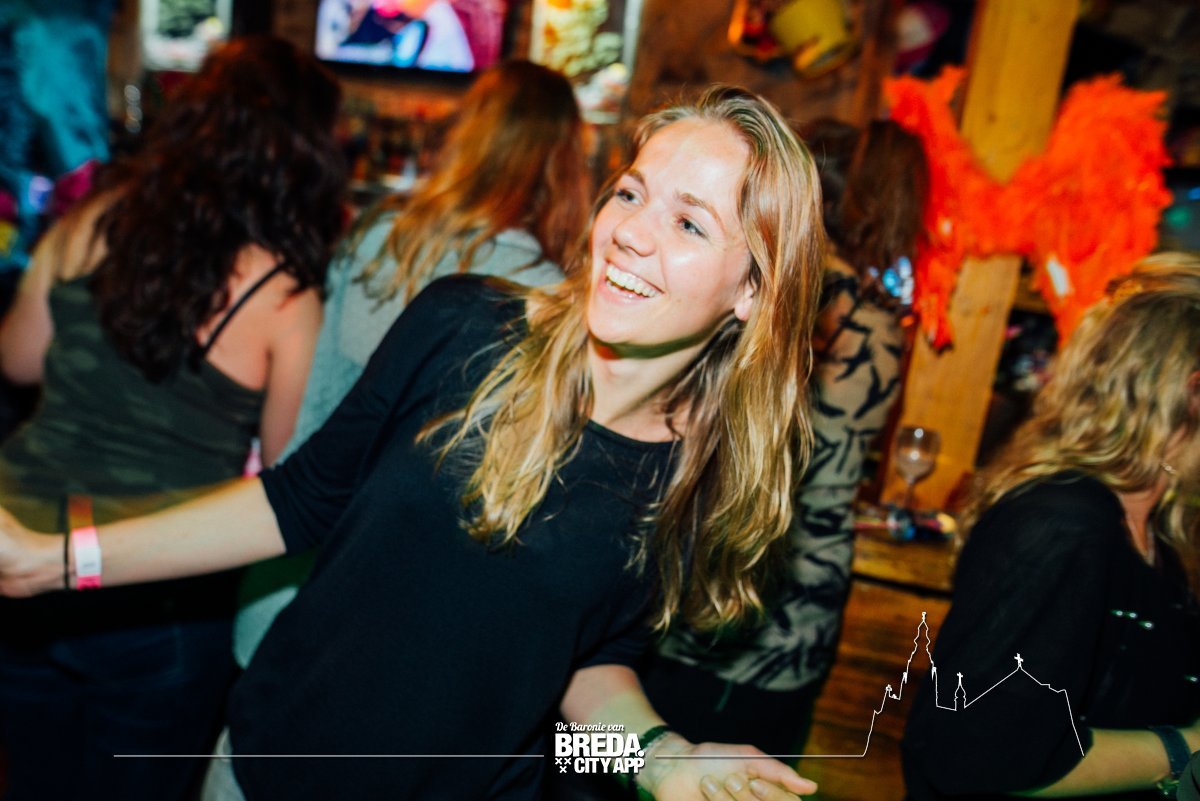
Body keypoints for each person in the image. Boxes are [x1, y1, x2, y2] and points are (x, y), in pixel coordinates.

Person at [0, 85, 824, 801]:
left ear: (753, 289)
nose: (632, 232)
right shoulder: (465, 325)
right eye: (631, 192)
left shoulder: (696, 475)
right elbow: (295, 501)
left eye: (688, 222)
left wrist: (659, 758)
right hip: (264, 771)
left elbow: (580, 674)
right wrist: (56, 561)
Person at [0, 36, 345, 801]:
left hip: (20, 545)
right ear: (304, 154)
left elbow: (18, 359)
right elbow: (285, 469)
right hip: (157, 587)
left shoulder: (96, 219)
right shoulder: (283, 293)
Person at [233, 58, 589, 668]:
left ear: (467, 134)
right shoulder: (549, 295)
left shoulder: (379, 236)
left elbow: (314, 398)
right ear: (564, 165)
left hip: (291, 564)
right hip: (398, 616)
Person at [639, 118, 926, 756]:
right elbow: (827, 473)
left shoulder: (758, 286)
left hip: (698, 594)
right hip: (783, 617)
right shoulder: (869, 320)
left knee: (611, 759)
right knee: (739, 783)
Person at [901, 252, 1200, 800]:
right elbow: (972, 755)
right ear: (1190, 395)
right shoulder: (1062, 525)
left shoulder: (1149, 533)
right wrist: (1183, 749)